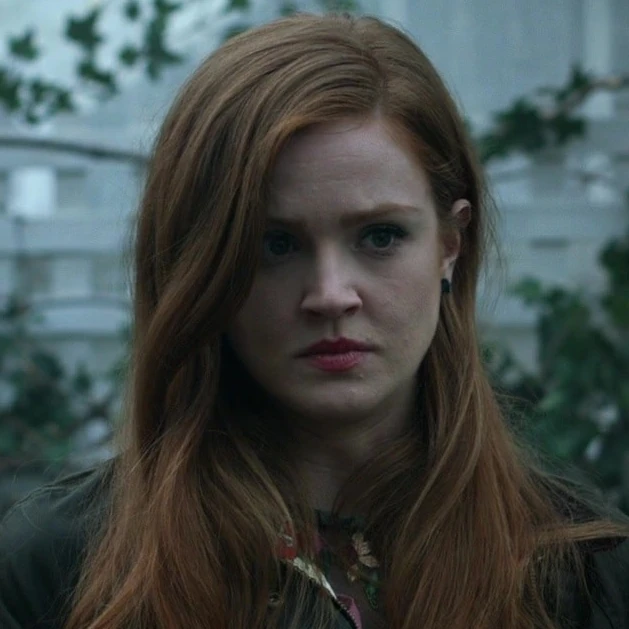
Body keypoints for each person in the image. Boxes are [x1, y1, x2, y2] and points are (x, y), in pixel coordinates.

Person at [1, 11, 628, 629]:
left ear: (450, 244)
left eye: (380, 236)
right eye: (276, 245)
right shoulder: (56, 572)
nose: (330, 295)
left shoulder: (585, 573)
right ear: (204, 266)